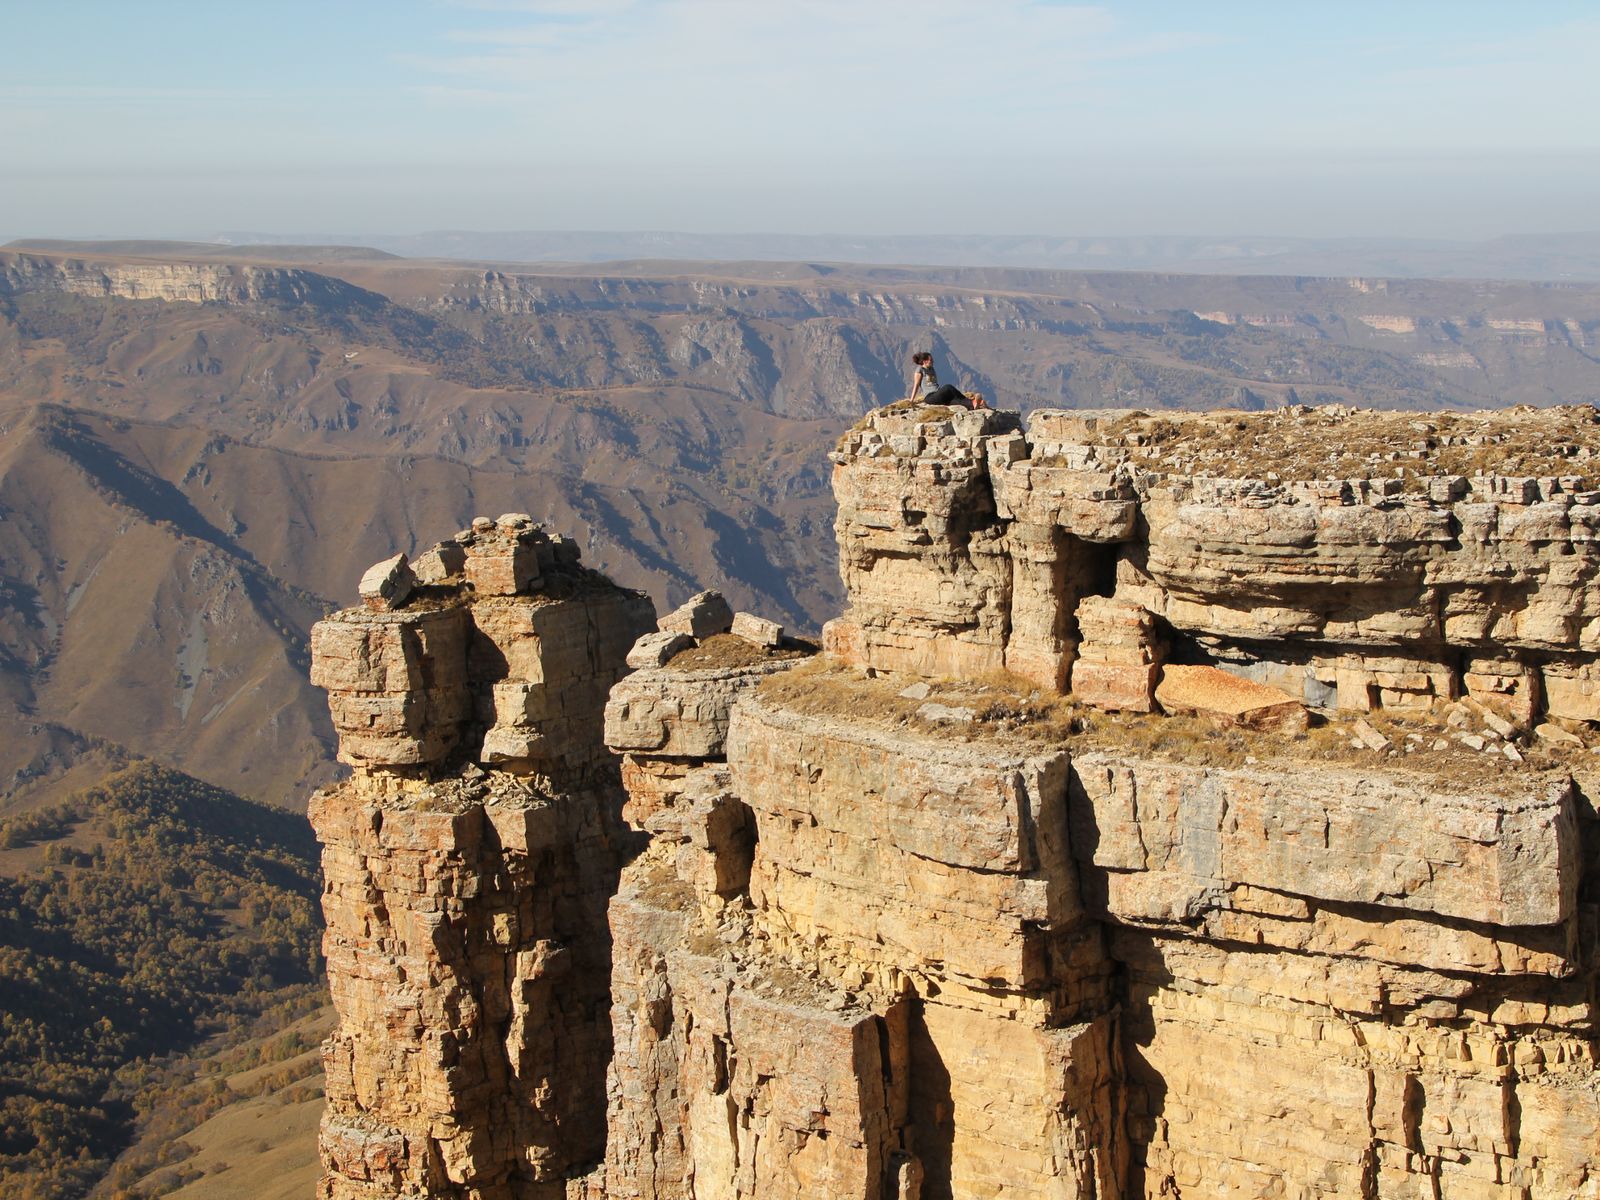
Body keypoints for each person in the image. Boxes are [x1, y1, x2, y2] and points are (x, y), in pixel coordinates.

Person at [908, 350, 986, 409]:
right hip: (930, 397)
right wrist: (911, 400)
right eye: (930, 360)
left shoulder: (932, 369)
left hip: (938, 394)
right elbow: (916, 385)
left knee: (955, 401)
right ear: (924, 361)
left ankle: (974, 404)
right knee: (948, 387)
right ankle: (973, 401)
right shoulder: (919, 370)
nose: (933, 361)